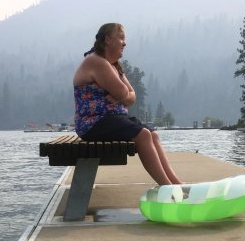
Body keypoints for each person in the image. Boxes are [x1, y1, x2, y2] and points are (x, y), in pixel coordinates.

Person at [73, 23, 182, 186]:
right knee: (143, 135)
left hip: (110, 120)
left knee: (153, 135)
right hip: (93, 123)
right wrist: (122, 95)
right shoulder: (97, 61)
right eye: (121, 38)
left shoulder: (113, 65)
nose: (125, 43)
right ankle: (168, 187)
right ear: (108, 40)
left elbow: (131, 97)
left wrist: (120, 96)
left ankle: (178, 184)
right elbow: (125, 93)